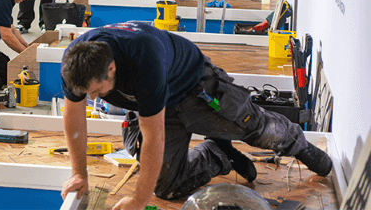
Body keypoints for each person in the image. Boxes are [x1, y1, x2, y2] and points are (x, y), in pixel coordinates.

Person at [59, 22, 333, 207]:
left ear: (111, 68)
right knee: (166, 187)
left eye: (96, 91)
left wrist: (138, 202)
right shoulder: (76, 64)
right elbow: (74, 119)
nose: (92, 98)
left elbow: (154, 137)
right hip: (159, 103)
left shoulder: (142, 59)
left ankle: (300, 145)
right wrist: (79, 173)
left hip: (196, 87)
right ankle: (219, 153)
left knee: (259, 131)